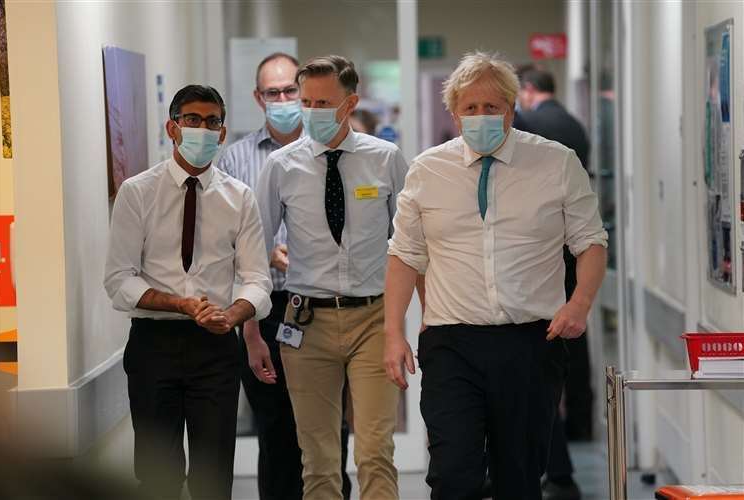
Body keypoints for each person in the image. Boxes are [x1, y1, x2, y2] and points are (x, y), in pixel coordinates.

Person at [384, 51, 608, 500]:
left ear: (512, 107)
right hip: (452, 344)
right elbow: (405, 255)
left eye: (493, 107)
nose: (482, 116)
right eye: (471, 107)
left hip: (530, 342)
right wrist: (393, 332)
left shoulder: (555, 163)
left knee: (519, 479)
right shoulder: (428, 170)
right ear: (454, 112)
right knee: (453, 475)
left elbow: (591, 241)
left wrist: (579, 303)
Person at [104, 85, 273, 500]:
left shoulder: (239, 197)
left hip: (214, 347)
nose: (202, 129)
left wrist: (232, 315)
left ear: (222, 132)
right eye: (192, 120)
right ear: (173, 127)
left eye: (212, 122)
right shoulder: (138, 192)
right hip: (153, 345)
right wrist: (178, 303)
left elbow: (258, 280)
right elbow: (119, 280)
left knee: (213, 476)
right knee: (157, 475)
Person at [253, 55, 409, 500]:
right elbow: (254, 251)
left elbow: (410, 245)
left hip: (372, 319)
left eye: (324, 101)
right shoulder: (281, 166)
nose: (311, 110)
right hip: (306, 322)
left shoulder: (386, 160)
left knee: (375, 451)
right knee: (318, 458)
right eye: (307, 101)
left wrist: (412, 323)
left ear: (350, 102)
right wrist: (251, 330)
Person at [217, 52, 352, 500]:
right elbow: (228, 244)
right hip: (269, 311)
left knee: (329, 432)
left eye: (290, 91)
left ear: (304, 91)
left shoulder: (337, 151)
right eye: (272, 93)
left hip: (326, 309)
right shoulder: (235, 160)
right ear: (259, 98)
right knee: (276, 432)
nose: (283, 99)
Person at [516, 66, 593, 500]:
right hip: (567, 259)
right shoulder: (573, 125)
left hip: (543, 260)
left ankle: (553, 466)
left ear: (525, 92)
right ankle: (573, 429)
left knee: (539, 367)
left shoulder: (535, 130)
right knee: (562, 354)